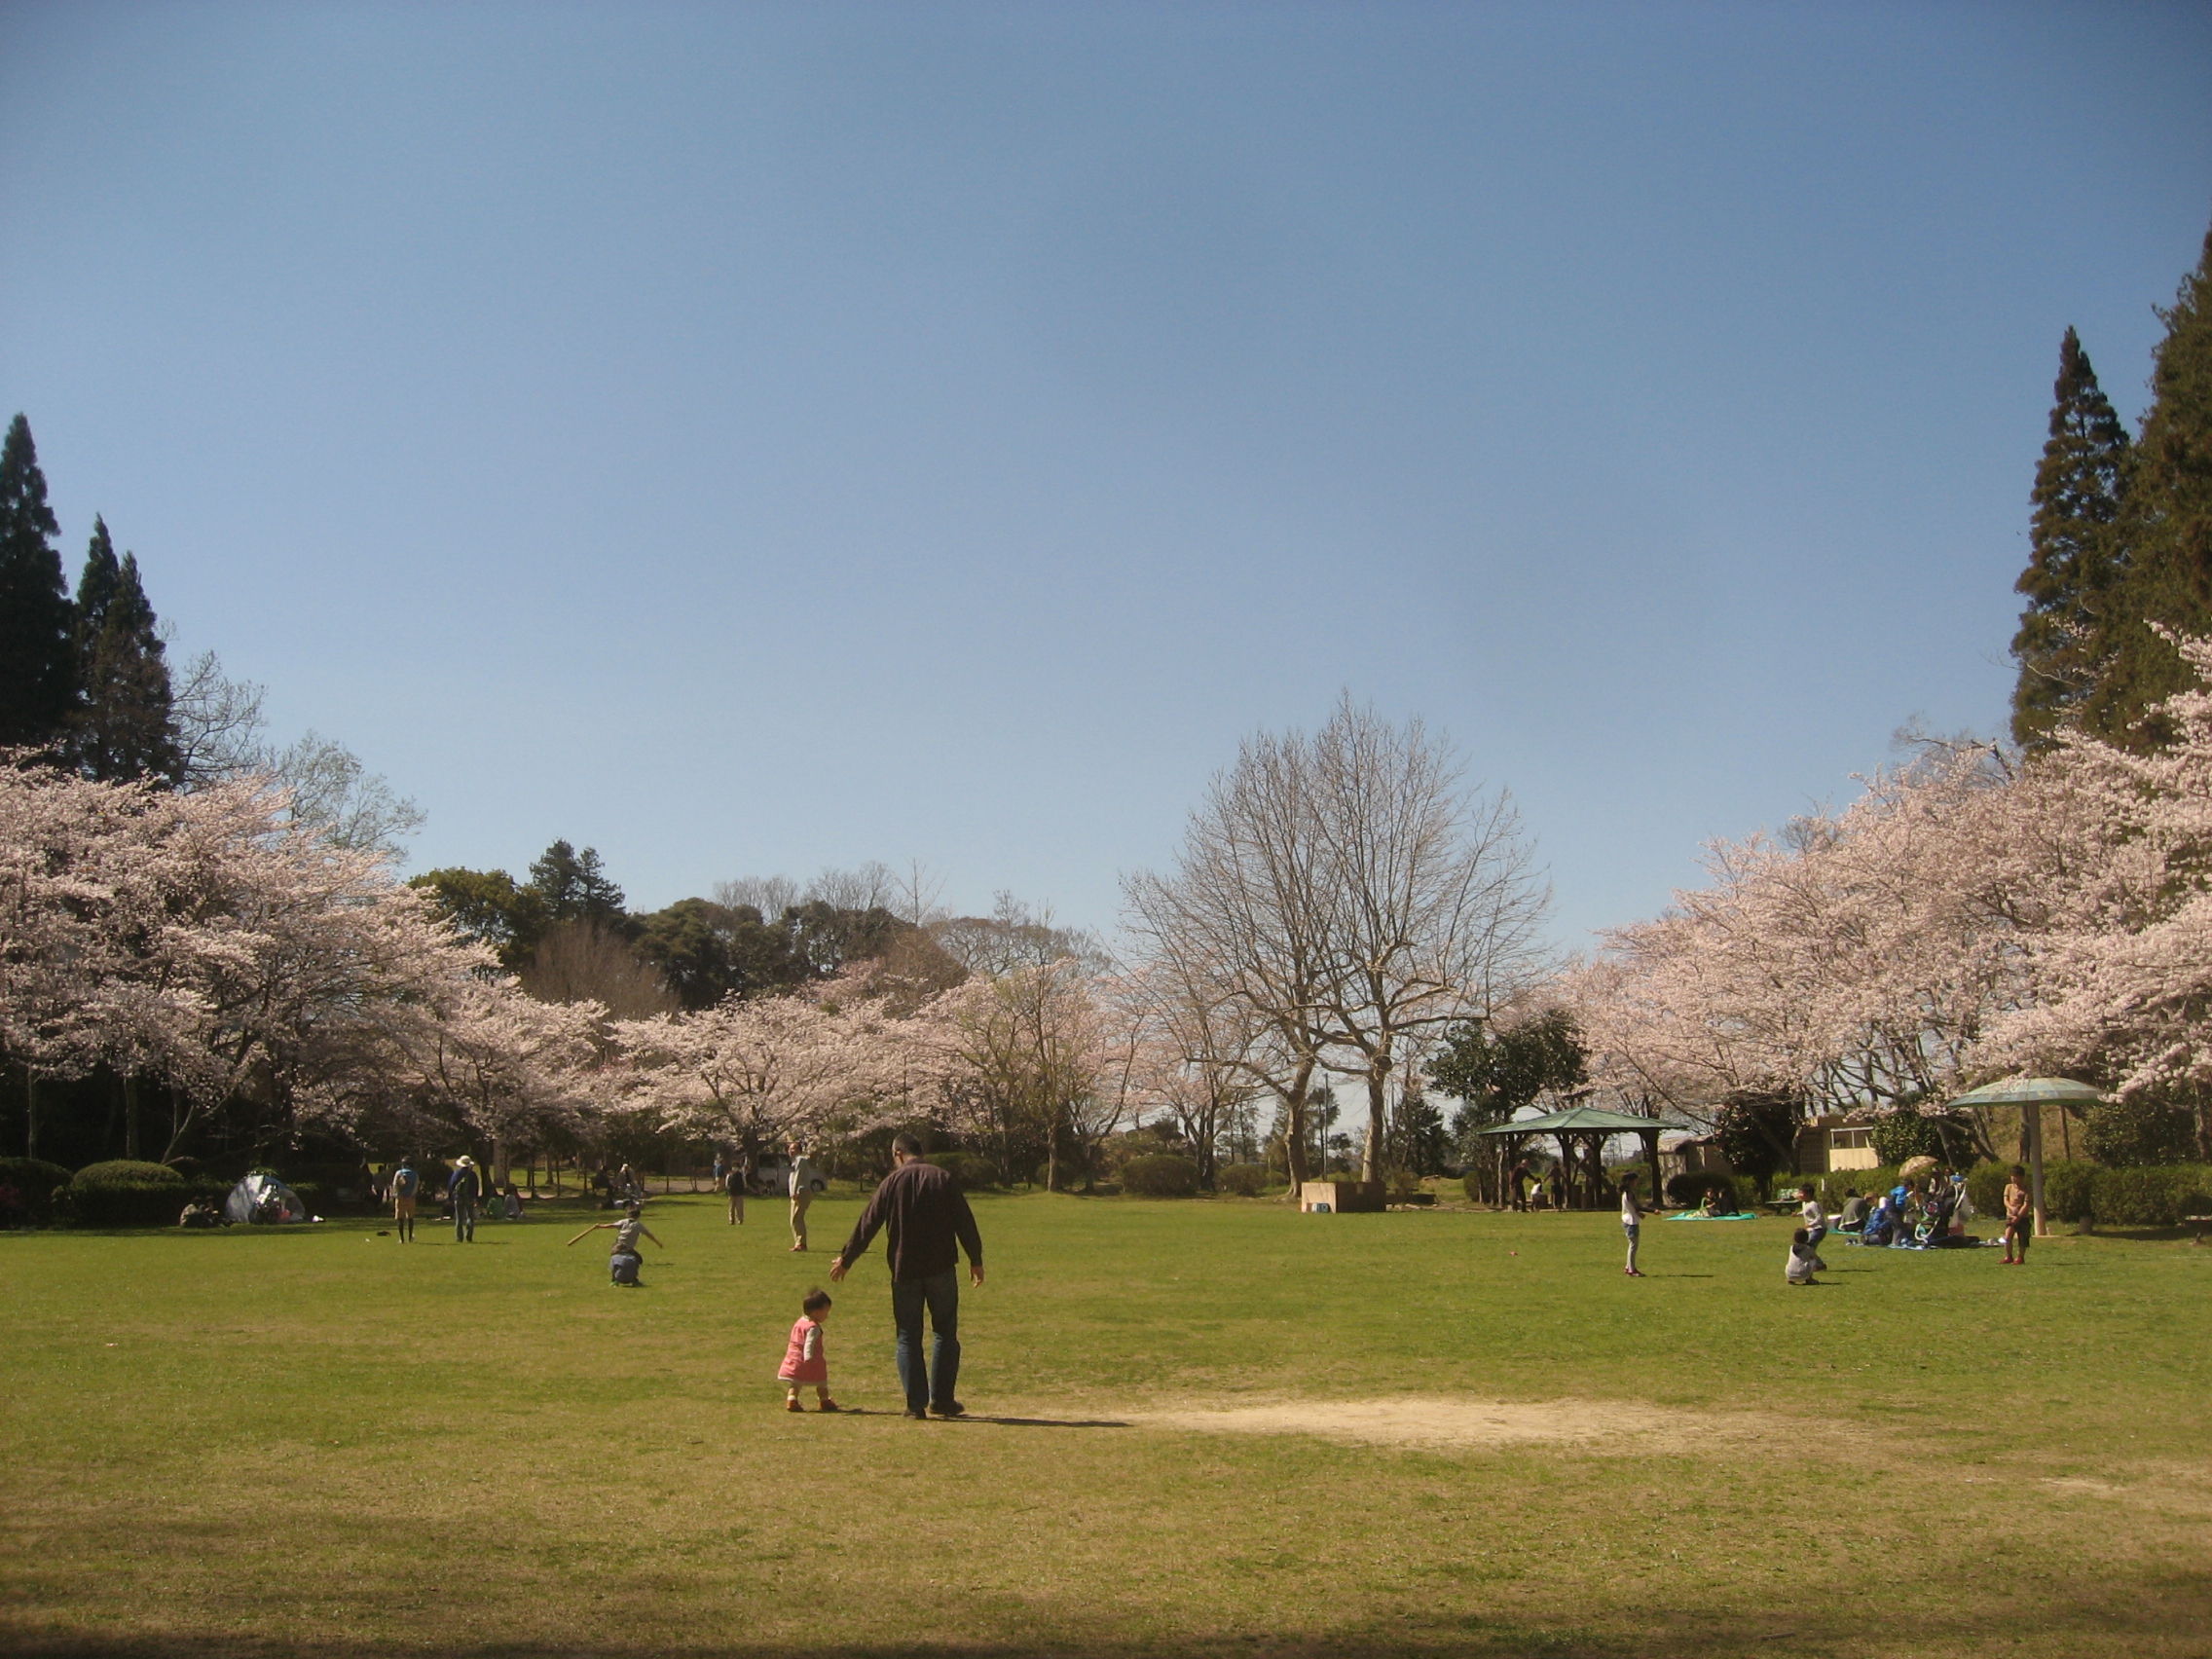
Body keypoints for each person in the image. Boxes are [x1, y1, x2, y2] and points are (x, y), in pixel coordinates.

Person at [828, 1132, 984, 1420]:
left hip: (904, 1269)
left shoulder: (892, 1182)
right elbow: (965, 1220)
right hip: (941, 1267)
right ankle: (942, 1400)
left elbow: (869, 1222)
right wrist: (975, 1259)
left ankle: (915, 1405)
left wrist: (847, 1259)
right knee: (945, 1333)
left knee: (908, 1336)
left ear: (898, 1154)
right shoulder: (942, 1178)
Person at [569, 1200, 663, 1285]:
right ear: (638, 1216)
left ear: (628, 1215)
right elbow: (648, 1234)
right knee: (636, 1260)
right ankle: (629, 1278)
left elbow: (611, 1225)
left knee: (623, 1260)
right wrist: (657, 1242)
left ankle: (615, 1277)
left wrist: (601, 1226)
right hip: (627, 1248)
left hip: (618, 1246)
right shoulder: (638, 1225)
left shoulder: (624, 1221)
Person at [779, 1289, 840, 1413]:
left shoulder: (800, 1322)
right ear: (817, 1312)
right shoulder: (814, 1328)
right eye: (826, 1312)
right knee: (821, 1382)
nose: (827, 1315)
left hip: (795, 1358)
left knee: (796, 1383)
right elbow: (809, 1344)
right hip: (810, 1360)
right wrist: (809, 1357)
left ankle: (792, 1399)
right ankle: (824, 1401)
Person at [787, 1141, 827, 1252]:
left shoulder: (801, 1160)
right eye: (789, 1148)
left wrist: (794, 1191)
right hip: (795, 1193)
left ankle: (802, 1244)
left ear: (799, 1150)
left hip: (802, 1191)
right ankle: (798, 1243)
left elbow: (798, 1176)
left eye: (793, 1148)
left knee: (797, 1218)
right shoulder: (794, 1161)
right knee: (793, 1220)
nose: (790, 1151)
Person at [2003, 1165, 2032, 1265]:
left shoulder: (2026, 1189)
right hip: (2010, 1216)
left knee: (2022, 1239)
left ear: (2022, 1177)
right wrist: (2012, 1209)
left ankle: (2020, 1257)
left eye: (2016, 1176)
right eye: (2012, 1176)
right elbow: (2005, 1201)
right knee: (2007, 1237)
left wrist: (2018, 1216)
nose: (2013, 1178)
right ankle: (2009, 1256)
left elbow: (2026, 1204)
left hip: (2023, 1218)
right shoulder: (2008, 1187)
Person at [448, 1156, 481, 1243]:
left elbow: (451, 1185)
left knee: (459, 1218)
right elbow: (476, 1187)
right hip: (469, 1197)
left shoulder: (456, 1173)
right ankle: (469, 1235)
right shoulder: (472, 1174)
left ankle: (459, 1237)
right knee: (470, 1217)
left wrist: (450, 1197)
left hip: (458, 1197)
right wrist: (475, 1198)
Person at [1619, 1172, 1645, 1277]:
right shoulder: (1629, 1193)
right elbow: (1637, 1206)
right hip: (1631, 1222)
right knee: (1633, 1245)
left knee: (1633, 1245)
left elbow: (1633, 1208)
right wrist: (1653, 1210)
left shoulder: (1627, 1193)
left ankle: (1628, 1266)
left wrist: (1639, 1213)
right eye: (1635, 1180)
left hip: (1629, 1220)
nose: (1637, 1182)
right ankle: (1631, 1269)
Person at [389, 1158, 421, 1242]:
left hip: (400, 1198)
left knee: (400, 1218)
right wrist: (411, 1194)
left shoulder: (399, 1173)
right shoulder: (415, 1174)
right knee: (410, 1218)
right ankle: (410, 1236)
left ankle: (401, 1238)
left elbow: (395, 1184)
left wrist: (398, 1194)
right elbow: (416, 1186)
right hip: (411, 1198)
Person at [1798, 1186, 1828, 1270]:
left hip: (1819, 1229)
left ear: (1809, 1194)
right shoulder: (1804, 1203)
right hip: (1811, 1230)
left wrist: (1810, 1224)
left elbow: (1820, 1218)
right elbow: (1806, 1212)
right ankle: (1816, 1265)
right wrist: (1798, 1214)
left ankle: (1818, 1264)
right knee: (1809, 1248)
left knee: (1808, 1247)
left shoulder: (1814, 1204)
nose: (1800, 1195)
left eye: (1802, 1193)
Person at [726, 1158, 747, 1227]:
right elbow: (727, 1184)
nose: (735, 1168)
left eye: (736, 1166)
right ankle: (731, 1220)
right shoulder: (729, 1175)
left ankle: (740, 1220)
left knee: (739, 1207)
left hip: (740, 1193)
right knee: (731, 1207)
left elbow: (744, 1183)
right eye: (733, 1166)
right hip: (732, 1193)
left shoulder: (741, 1175)